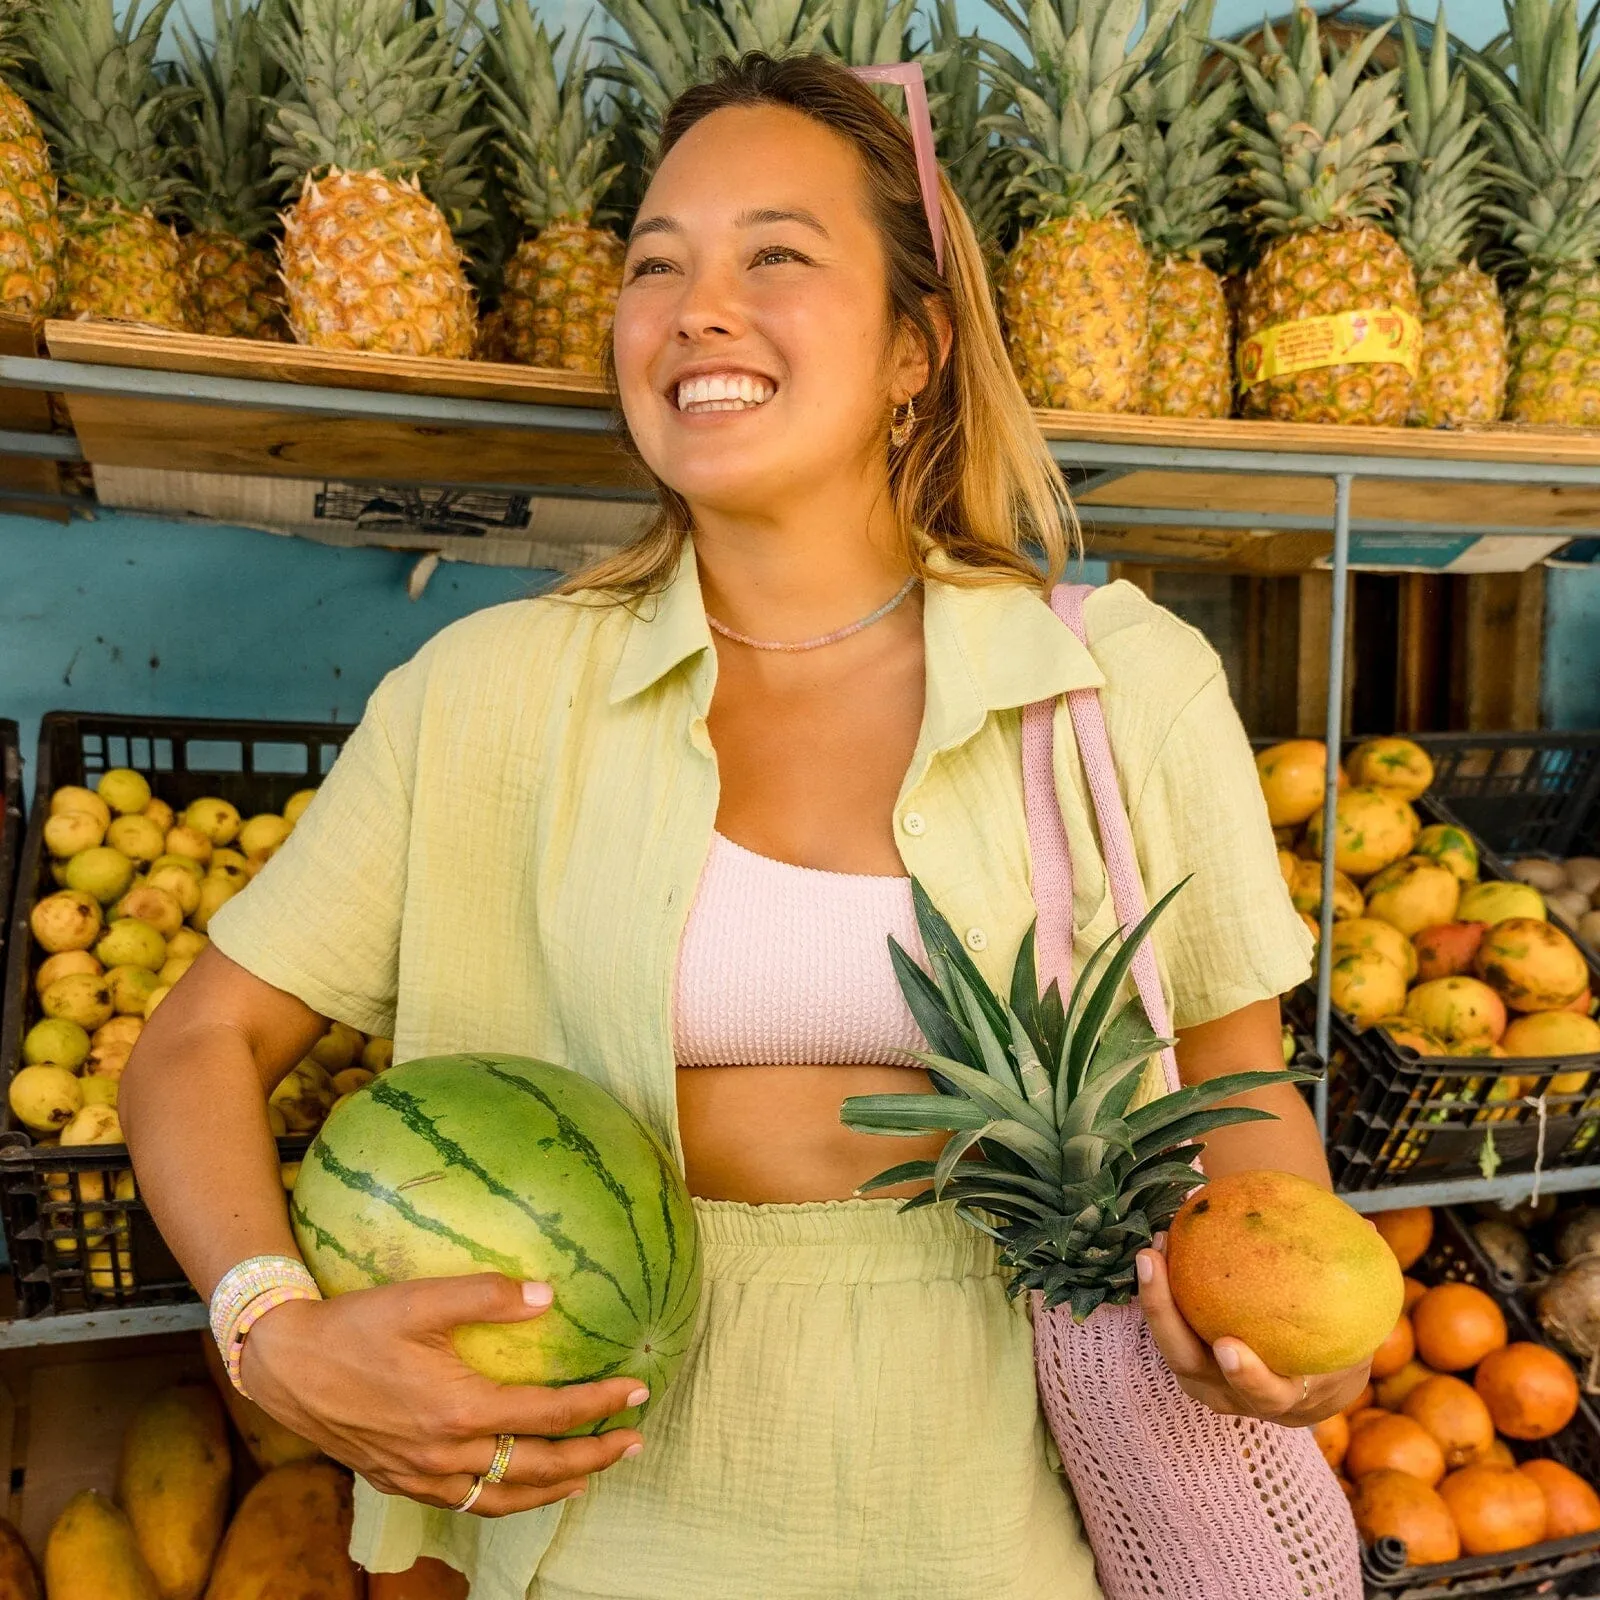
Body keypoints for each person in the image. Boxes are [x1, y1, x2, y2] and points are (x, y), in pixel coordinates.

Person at [121, 51, 1367, 1600]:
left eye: (776, 253)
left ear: (918, 345)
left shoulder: (1115, 684)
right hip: (592, 1515)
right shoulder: (487, 697)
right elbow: (195, 1044)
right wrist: (268, 1328)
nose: (699, 305)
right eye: (659, 265)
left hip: (1017, 1512)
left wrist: (1292, 1324)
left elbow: (1237, 1072)